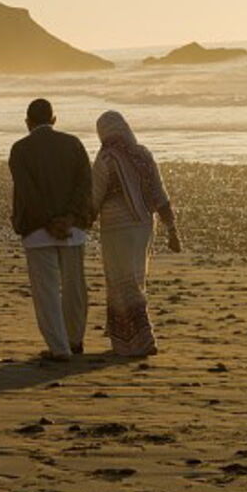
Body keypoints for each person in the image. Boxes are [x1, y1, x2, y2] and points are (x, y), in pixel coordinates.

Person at [91, 110, 181, 357]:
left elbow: (94, 197)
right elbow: (159, 195)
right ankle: (129, 340)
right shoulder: (143, 155)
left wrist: (78, 224)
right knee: (136, 279)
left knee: (122, 282)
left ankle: (139, 339)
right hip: (143, 227)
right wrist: (172, 230)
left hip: (116, 230)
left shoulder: (106, 158)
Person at [9, 98, 93, 361]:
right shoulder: (73, 144)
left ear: (27, 122)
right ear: (54, 119)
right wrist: (67, 218)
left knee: (46, 291)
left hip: (37, 230)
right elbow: (84, 185)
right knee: (74, 288)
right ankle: (75, 339)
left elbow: (27, 191)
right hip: (72, 228)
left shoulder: (20, 149)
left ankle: (59, 347)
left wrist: (48, 221)